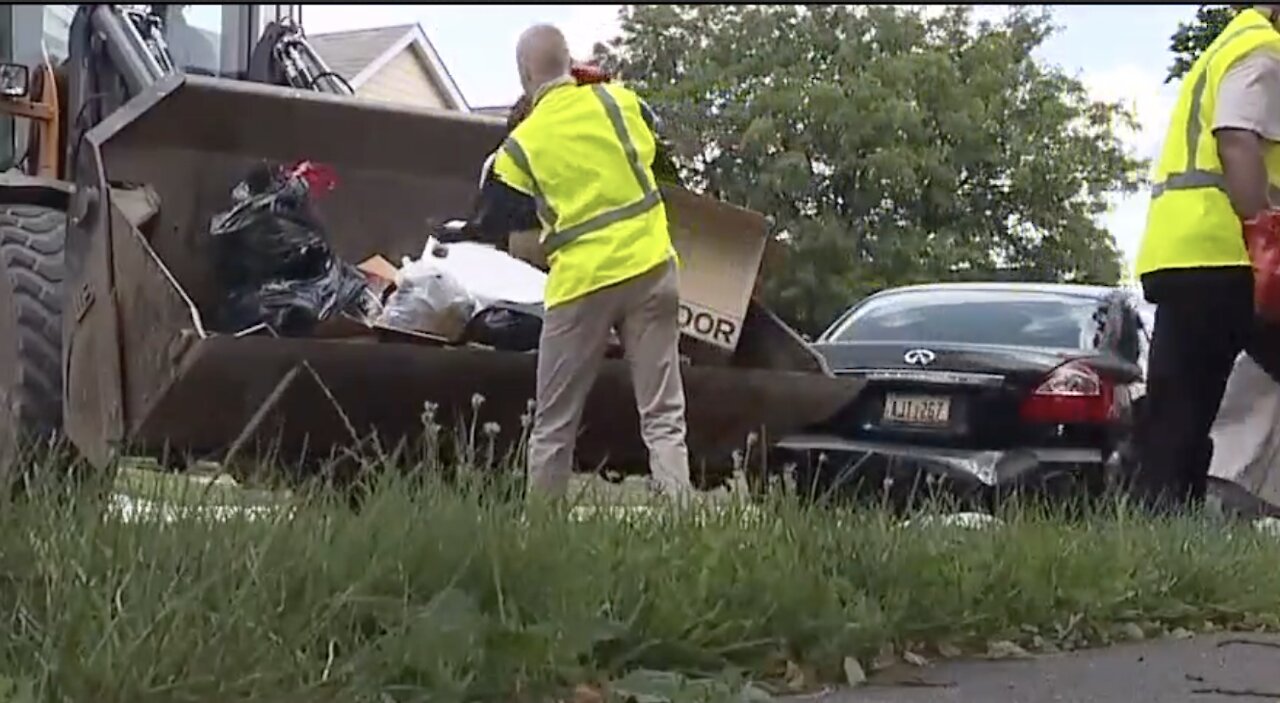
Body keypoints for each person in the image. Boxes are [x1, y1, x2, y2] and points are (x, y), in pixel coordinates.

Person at [456, 24, 694, 502]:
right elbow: (657, 155)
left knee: (554, 424)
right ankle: (684, 527)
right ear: (572, 63)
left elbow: (491, 218)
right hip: (651, 269)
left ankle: (541, 537)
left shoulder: (523, 144)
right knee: (664, 417)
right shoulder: (619, 101)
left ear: (524, 75)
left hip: (583, 286)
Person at [1134, 4, 1280, 510]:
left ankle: (1157, 530)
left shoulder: (1223, 46)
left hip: (1179, 253)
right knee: (1181, 407)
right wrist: (1266, 232)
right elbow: (1237, 138)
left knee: (1176, 411)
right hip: (1231, 256)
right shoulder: (1261, 46)